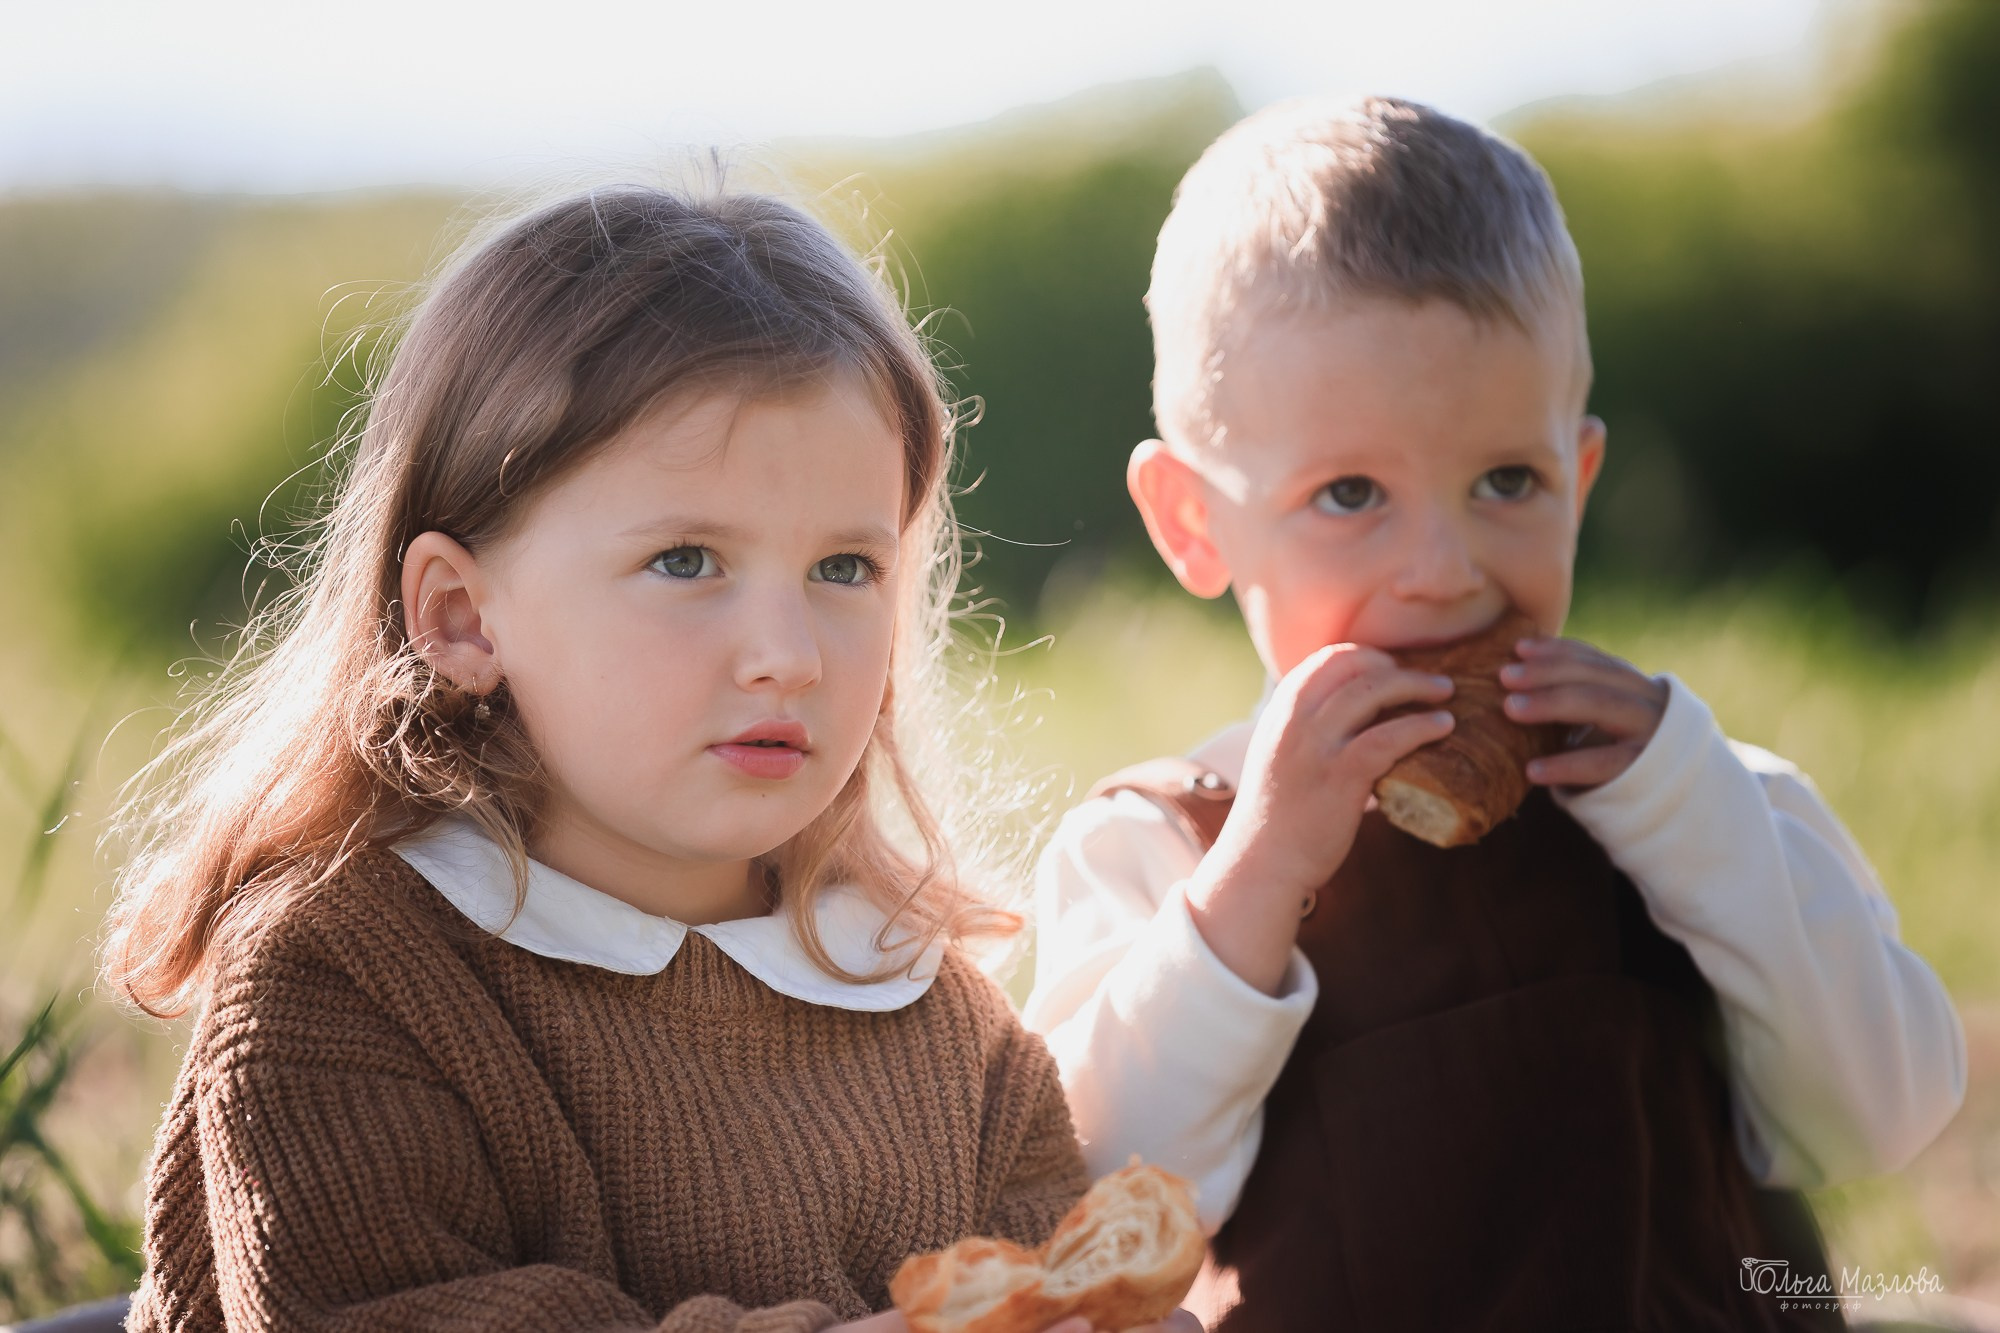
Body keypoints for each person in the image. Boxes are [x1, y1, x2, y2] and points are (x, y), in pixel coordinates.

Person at [101, 184, 1156, 1333]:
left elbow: (1058, 1278)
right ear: (460, 617)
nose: (786, 654)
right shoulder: (342, 974)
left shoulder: (923, 999)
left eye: (844, 568)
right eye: (688, 559)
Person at [1024, 96, 1967, 1332]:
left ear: (1576, 480)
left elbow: (1878, 1117)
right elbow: (1084, 1208)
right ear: (1193, 523)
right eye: (1349, 492)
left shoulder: (1707, 796)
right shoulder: (1159, 847)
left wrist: (1698, 815)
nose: (1444, 566)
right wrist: (1252, 887)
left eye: (1504, 481)